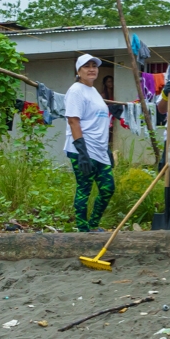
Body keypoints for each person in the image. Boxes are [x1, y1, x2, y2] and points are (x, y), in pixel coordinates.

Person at [64, 54, 114, 232]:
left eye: (94, 65)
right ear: (79, 71)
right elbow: (73, 121)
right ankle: (82, 230)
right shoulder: (76, 90)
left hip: (99, 150)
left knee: (108, 188)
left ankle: (93, 225)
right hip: (82, 149)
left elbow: (98, 122)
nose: (91, 69)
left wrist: (106, 150)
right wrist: (82, 152)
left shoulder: (93, 91)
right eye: (86, 66)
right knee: (84, 188)